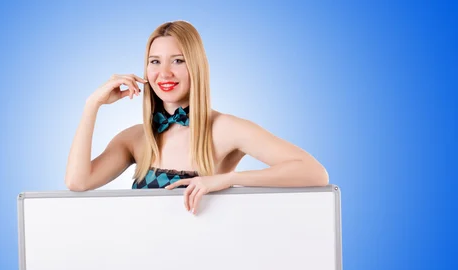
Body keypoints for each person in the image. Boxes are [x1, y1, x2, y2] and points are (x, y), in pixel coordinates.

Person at [65, 20, 329, 215]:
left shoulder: (225, 129)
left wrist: (229, 179)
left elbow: (314, 173)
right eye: (155, 61)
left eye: (178, 61)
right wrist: (92, 105)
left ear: (196, 66)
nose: (164, 73)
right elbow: (78, 182)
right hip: (145, 268)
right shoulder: (135, 138)